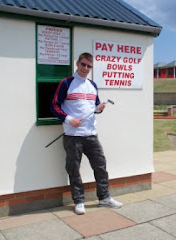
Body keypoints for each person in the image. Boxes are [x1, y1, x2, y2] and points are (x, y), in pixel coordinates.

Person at [50, 52, 122, 215]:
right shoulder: (66, 83)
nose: (85, 68)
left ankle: (104, 198)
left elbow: (93, 107)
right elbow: (54, 106)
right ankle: (79, 201)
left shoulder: (92, 85)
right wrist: (69, 120)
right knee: (74, 169)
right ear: (77, 63)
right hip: (73, 136)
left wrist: (98, 109)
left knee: (100, 166)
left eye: (89, 66)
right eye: (83, 64)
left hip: (91, 134)